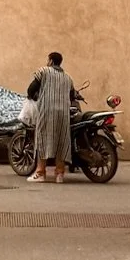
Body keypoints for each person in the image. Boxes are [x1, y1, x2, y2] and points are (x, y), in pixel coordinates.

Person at [28, 49, 75, 184]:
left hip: (47, 111)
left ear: (50, 61)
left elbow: (31, 89)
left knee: (42, 139)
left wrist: (35, 97)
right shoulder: (68, 77)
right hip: (63, 114)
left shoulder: (44, 71)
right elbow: (72, 96)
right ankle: (59, 174)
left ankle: (40, 173)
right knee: (61, 142)